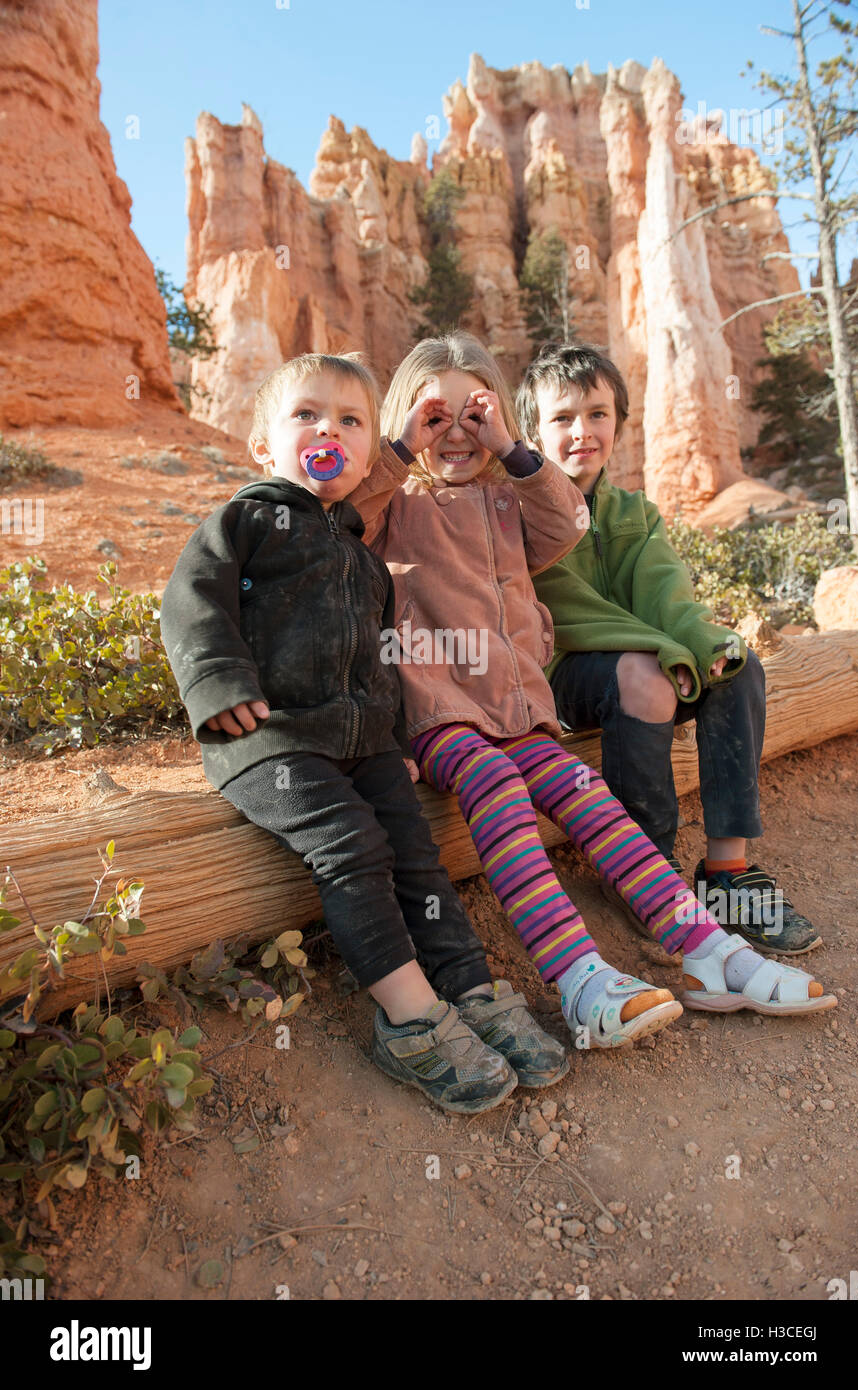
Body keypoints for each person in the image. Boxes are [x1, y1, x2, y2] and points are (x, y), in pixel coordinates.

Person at [349, 332, 835, 1047]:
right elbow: (342, 520)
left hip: (520, 712)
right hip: (440, 710)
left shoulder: (507, 504)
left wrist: (512, 450)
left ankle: (710, 951)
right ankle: (578, 976)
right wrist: (396, 448)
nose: (454, 433)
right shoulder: (397, 506)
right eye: (434, 416)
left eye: (471, 415)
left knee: (589, 797)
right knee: (497, 787)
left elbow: (566, 521)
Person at [160, 351, 570, 1115]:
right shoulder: (246, 518)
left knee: (416, 856)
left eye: (351, 420)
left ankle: (471, 991)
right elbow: (191, 599)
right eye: (307, 415)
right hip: (273, 741)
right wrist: (217, 684)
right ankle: (411, 1019)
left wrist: (400, 742)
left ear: (366, 448)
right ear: (263, 447)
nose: (330, 431)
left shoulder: (362, 550)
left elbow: (379, 658)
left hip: (365, 742)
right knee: (353, 847)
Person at [517, 342, 824, 957]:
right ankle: (646, 876)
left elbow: (667, 595)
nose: (583, 431)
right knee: (644, 675)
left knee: (737, 667)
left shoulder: (635, 512)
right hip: (557, 676)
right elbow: (571, 614)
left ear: (620, 424)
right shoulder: (522, 512)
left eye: (599, 414)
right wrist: (663, 650)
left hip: (643, 663)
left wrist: (704, 644)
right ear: (531, 433)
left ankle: (726, 875)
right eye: (563, 418)